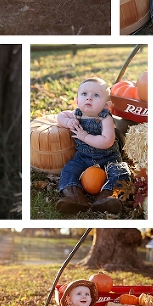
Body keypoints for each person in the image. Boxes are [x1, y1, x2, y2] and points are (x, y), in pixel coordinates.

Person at [55, 77, 129, 215]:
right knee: (69, 170)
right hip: (83, 157)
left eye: (96, 95)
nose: (89, 98)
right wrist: (67, 122)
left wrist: (85, 136)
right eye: (84, 94)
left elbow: (107, 141)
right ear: (77, 101)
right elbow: (60, 115)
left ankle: (107, 198)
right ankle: (74, 197)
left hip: (108, 158)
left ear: (106, 105)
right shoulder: (76, 114)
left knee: (121, 172)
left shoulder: (105, 118)